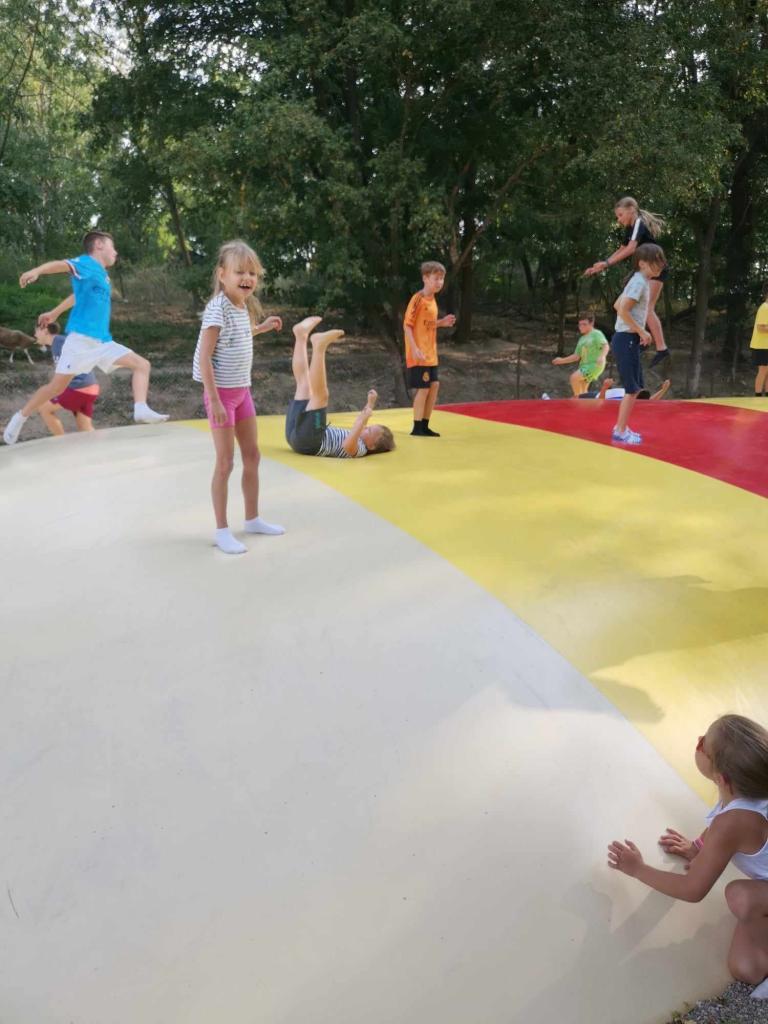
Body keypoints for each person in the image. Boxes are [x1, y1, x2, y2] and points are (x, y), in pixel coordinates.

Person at [608, 714, 768, 1001]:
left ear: (722, 778)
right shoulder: (752, 786)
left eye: (703, 744)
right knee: (746, 967)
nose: (698, 740)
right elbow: (723, 816)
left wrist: (638, 869)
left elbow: (693, 889)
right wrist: (699, 847)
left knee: (741, 905)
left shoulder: (734, 821)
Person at [3, 230, 168, 445]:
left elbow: (77, 296)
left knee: (142, 365)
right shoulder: (86, 263)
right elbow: (61, 265)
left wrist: (54, 312)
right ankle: (20, 417)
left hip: (102, 342)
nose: (116, 252)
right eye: (112, 247)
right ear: (99, 245)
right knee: (56, 388)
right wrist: (37, 271)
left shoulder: (101, 275)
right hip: (80, 342)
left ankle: (140, 408)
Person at [192, 239, 285, 555]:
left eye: (252, 273)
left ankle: (253, 518)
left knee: (252, 456)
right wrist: (215, 400)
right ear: (222, 275)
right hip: (221, 395)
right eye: (239, 272)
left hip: (242, 392)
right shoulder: (216, 308)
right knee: (225, 463)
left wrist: (262, 327)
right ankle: (222, 530)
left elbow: (238, 337)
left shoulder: (241, 306)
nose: (247, 278)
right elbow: (205, 357)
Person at [285, 316, 395, 459]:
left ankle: (319, 348)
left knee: (321, 397)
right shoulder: (360, 436)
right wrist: (370, 404)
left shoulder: (360, 449)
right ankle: (301, 336)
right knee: (304, 385)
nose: (365, 428)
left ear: (372, 446)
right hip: (297, 436)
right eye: (368, 427)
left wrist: (362, 420)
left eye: (369, 431)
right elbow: (361, 422)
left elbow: (347, 446)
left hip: (310, 442)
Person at [584, 196, 670, 368]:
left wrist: (607, 263)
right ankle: (643, 340)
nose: (619, 220)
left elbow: (631, 249)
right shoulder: (631, 227)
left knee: (648, 308)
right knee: (624, 304)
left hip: (654, 268)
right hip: (644, 269)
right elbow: (623, 248)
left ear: (631, 210)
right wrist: (603, 264)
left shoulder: (638, 222)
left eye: (620, 215)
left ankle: (661, 348)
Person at [608, 242, 667, 445]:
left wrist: (638, 331)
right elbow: (623, 310)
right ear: (642, 263)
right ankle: (620, 431)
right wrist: (641, 330)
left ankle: (622, 428)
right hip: (626, 339)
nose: (660, 265)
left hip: (627, 338)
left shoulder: (638, 281)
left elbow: (617, 305)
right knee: (631, 389)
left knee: (634, 388)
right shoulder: (639, 283)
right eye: (656, 262)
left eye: (661, 262)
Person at [403, 260, 456, 436]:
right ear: (425, 278)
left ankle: (425, 425)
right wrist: (414, 348)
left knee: (434, 386)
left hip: (430, 354)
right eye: (436, 278)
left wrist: (441, 323)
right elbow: (407, 325)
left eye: (442, 279)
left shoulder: (432, 300)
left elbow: (427, 324)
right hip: (419, 354)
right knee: (423, 388)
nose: (439, 282)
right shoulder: (417, 299)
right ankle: (417, 427)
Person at [34, 321, 100, 434]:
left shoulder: (59, 341)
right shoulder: (57, 344)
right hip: (90, 388)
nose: (35, 335)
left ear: (44, 329)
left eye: (36, 331)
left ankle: (61, 442)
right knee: (86, 430)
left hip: (79, 387)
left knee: (43, 408)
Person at [552, 313, 609, 396]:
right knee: (583, 390)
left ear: (591, 323)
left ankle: (578, 399)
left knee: (574, 378)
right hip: (584, 366)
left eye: (584, 324)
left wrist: (602, 356)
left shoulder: (596, 333)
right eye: (580, 325)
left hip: (594, 364)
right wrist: (561, 360)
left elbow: (606, 345)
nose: (581, 327)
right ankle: (583, 402)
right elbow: (576, 356)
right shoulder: (581, 339)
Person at [577, 377, 671, 401]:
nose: (637, 389)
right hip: (597, 394)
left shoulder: (622, 401)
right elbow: (650, 401)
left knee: (574, 401)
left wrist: (604, 387)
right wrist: (663, 390)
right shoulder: (630, 395)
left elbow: (601, 402)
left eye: (638, 391)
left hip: (594, 398)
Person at [749, 284, 768, 397]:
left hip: (766, 345)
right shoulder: (764, 308)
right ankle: (758, 396)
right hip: (761, 345)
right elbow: (760, 327)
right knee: (763, 371)